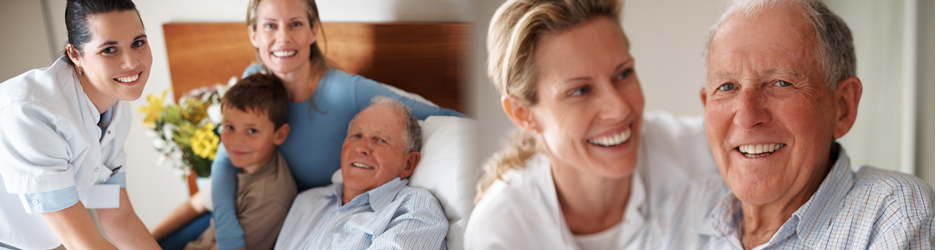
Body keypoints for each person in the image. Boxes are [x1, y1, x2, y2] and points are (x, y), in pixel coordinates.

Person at [647, 0, 935, 249]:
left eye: (781, 83)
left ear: (843, 107)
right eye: (727, 87)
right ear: (706, 104)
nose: (746, 116)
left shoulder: (892, 215)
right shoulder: (682, 211)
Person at [208, 0, 465, 248]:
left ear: (313, 30)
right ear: (253, 35)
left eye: (295, 24)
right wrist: (229, 236)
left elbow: (439, 113)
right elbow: (224, 161)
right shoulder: (255, 79)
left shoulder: (345, 91)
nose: (283, 36)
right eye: (270, 25)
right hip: (274, 215)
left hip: (300, 219)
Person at [463, 0, 718, 249]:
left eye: (623, 74)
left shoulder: (708, 157)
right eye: (581, 90)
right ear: (523, 114)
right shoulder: (500, 231)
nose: (619, 109)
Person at [0, 0, 160, 249]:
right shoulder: (31, 112)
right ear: (75, 54)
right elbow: (82, 243)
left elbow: (119, 218)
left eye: (138, 43)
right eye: (109, 49)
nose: (131, 62)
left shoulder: (117, 110)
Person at [274, 97, 448, 249]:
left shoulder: (415, 209)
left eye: (381, 140)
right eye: (356, 136)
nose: (361, 148)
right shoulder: (307, 201)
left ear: (408, 164)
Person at [152, 74, 298, 250]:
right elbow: (194, 205)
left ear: (279, 135)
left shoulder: (268, 197)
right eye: (229, 127)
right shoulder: (233, 166)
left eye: (252, 130)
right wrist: (148, 239)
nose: (237, 141)